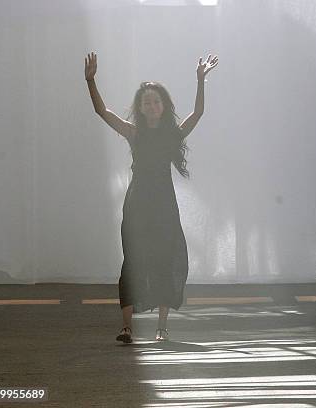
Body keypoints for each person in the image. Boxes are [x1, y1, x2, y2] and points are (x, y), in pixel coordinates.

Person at [84, 51, 218, 343]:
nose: (152, 105)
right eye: (147, 102)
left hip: (164, 206)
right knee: (132, 260)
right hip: (137, 205)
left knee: (165, 259)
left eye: (156, 101)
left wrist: (200, 80)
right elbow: (103, 112)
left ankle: (162, 326)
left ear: (163, 105)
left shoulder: (173, 134)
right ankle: (127, 327)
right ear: (141, 108)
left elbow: (198, 114)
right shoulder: (134, 133)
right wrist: (90, 81)